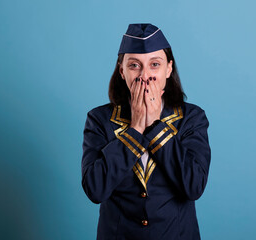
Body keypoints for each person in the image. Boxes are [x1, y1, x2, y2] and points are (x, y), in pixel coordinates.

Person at [81, 23, 211, 240]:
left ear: (168, 69)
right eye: (134, 65)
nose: (145, 75)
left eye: (155, 64)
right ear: (122, 71)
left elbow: (193, 186)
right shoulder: (98, 120)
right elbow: (95, 189)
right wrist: (137, 128)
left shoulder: (192, 118)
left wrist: (155, 126)